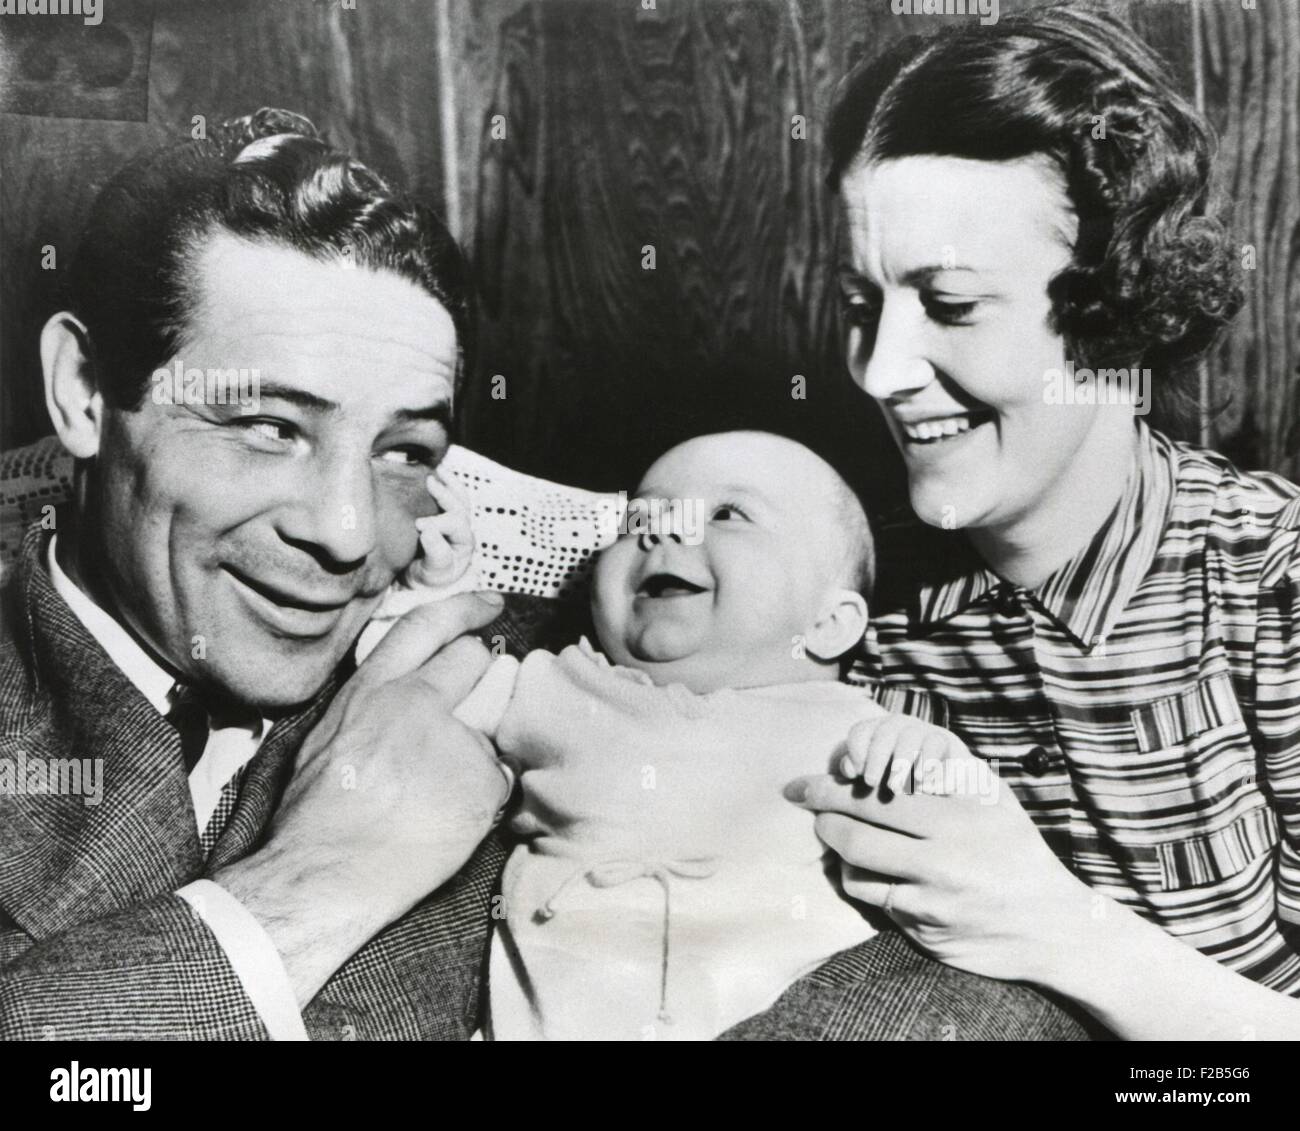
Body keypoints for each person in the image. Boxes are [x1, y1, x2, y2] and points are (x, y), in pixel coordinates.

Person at [784, 3, 1300, 1039]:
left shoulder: (1268, 580)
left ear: (1121, 299)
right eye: (859, 305)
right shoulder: (840, 575)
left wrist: (1049, 927)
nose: (881, 373)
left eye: (953, 303)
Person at [0, 108, 512, 1039]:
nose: (349, 533)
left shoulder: (494, 693)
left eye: (403, 452)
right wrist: (301, 889)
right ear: (83, 390)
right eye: (271, 427)